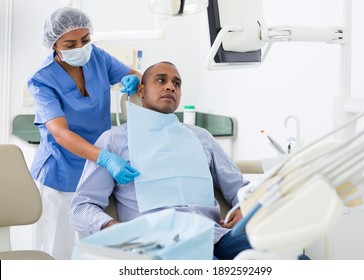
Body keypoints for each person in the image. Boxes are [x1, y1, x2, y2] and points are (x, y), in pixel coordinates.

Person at [70, 61, 253, 260]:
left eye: (177, 83)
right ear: (141, 90)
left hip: (214, 234)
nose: (170, 86)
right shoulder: (114, 140)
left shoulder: (201, 137)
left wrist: (246, 205)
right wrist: (112, 228)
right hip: (161, 241)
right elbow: (81, 207)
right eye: (160, 80)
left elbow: (239, 187)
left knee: (276, 253)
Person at [28, 7, 141, 260]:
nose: (81, 47)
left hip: (96, 171)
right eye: (70, 43)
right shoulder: (42, 79)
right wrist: (105, 158)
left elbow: (135, 77)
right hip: (61, 170)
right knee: (54, 252)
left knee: (95, 251)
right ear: (54, 44)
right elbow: (60, 134)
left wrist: (135, 79)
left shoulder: (98, 58)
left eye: (86, 40)